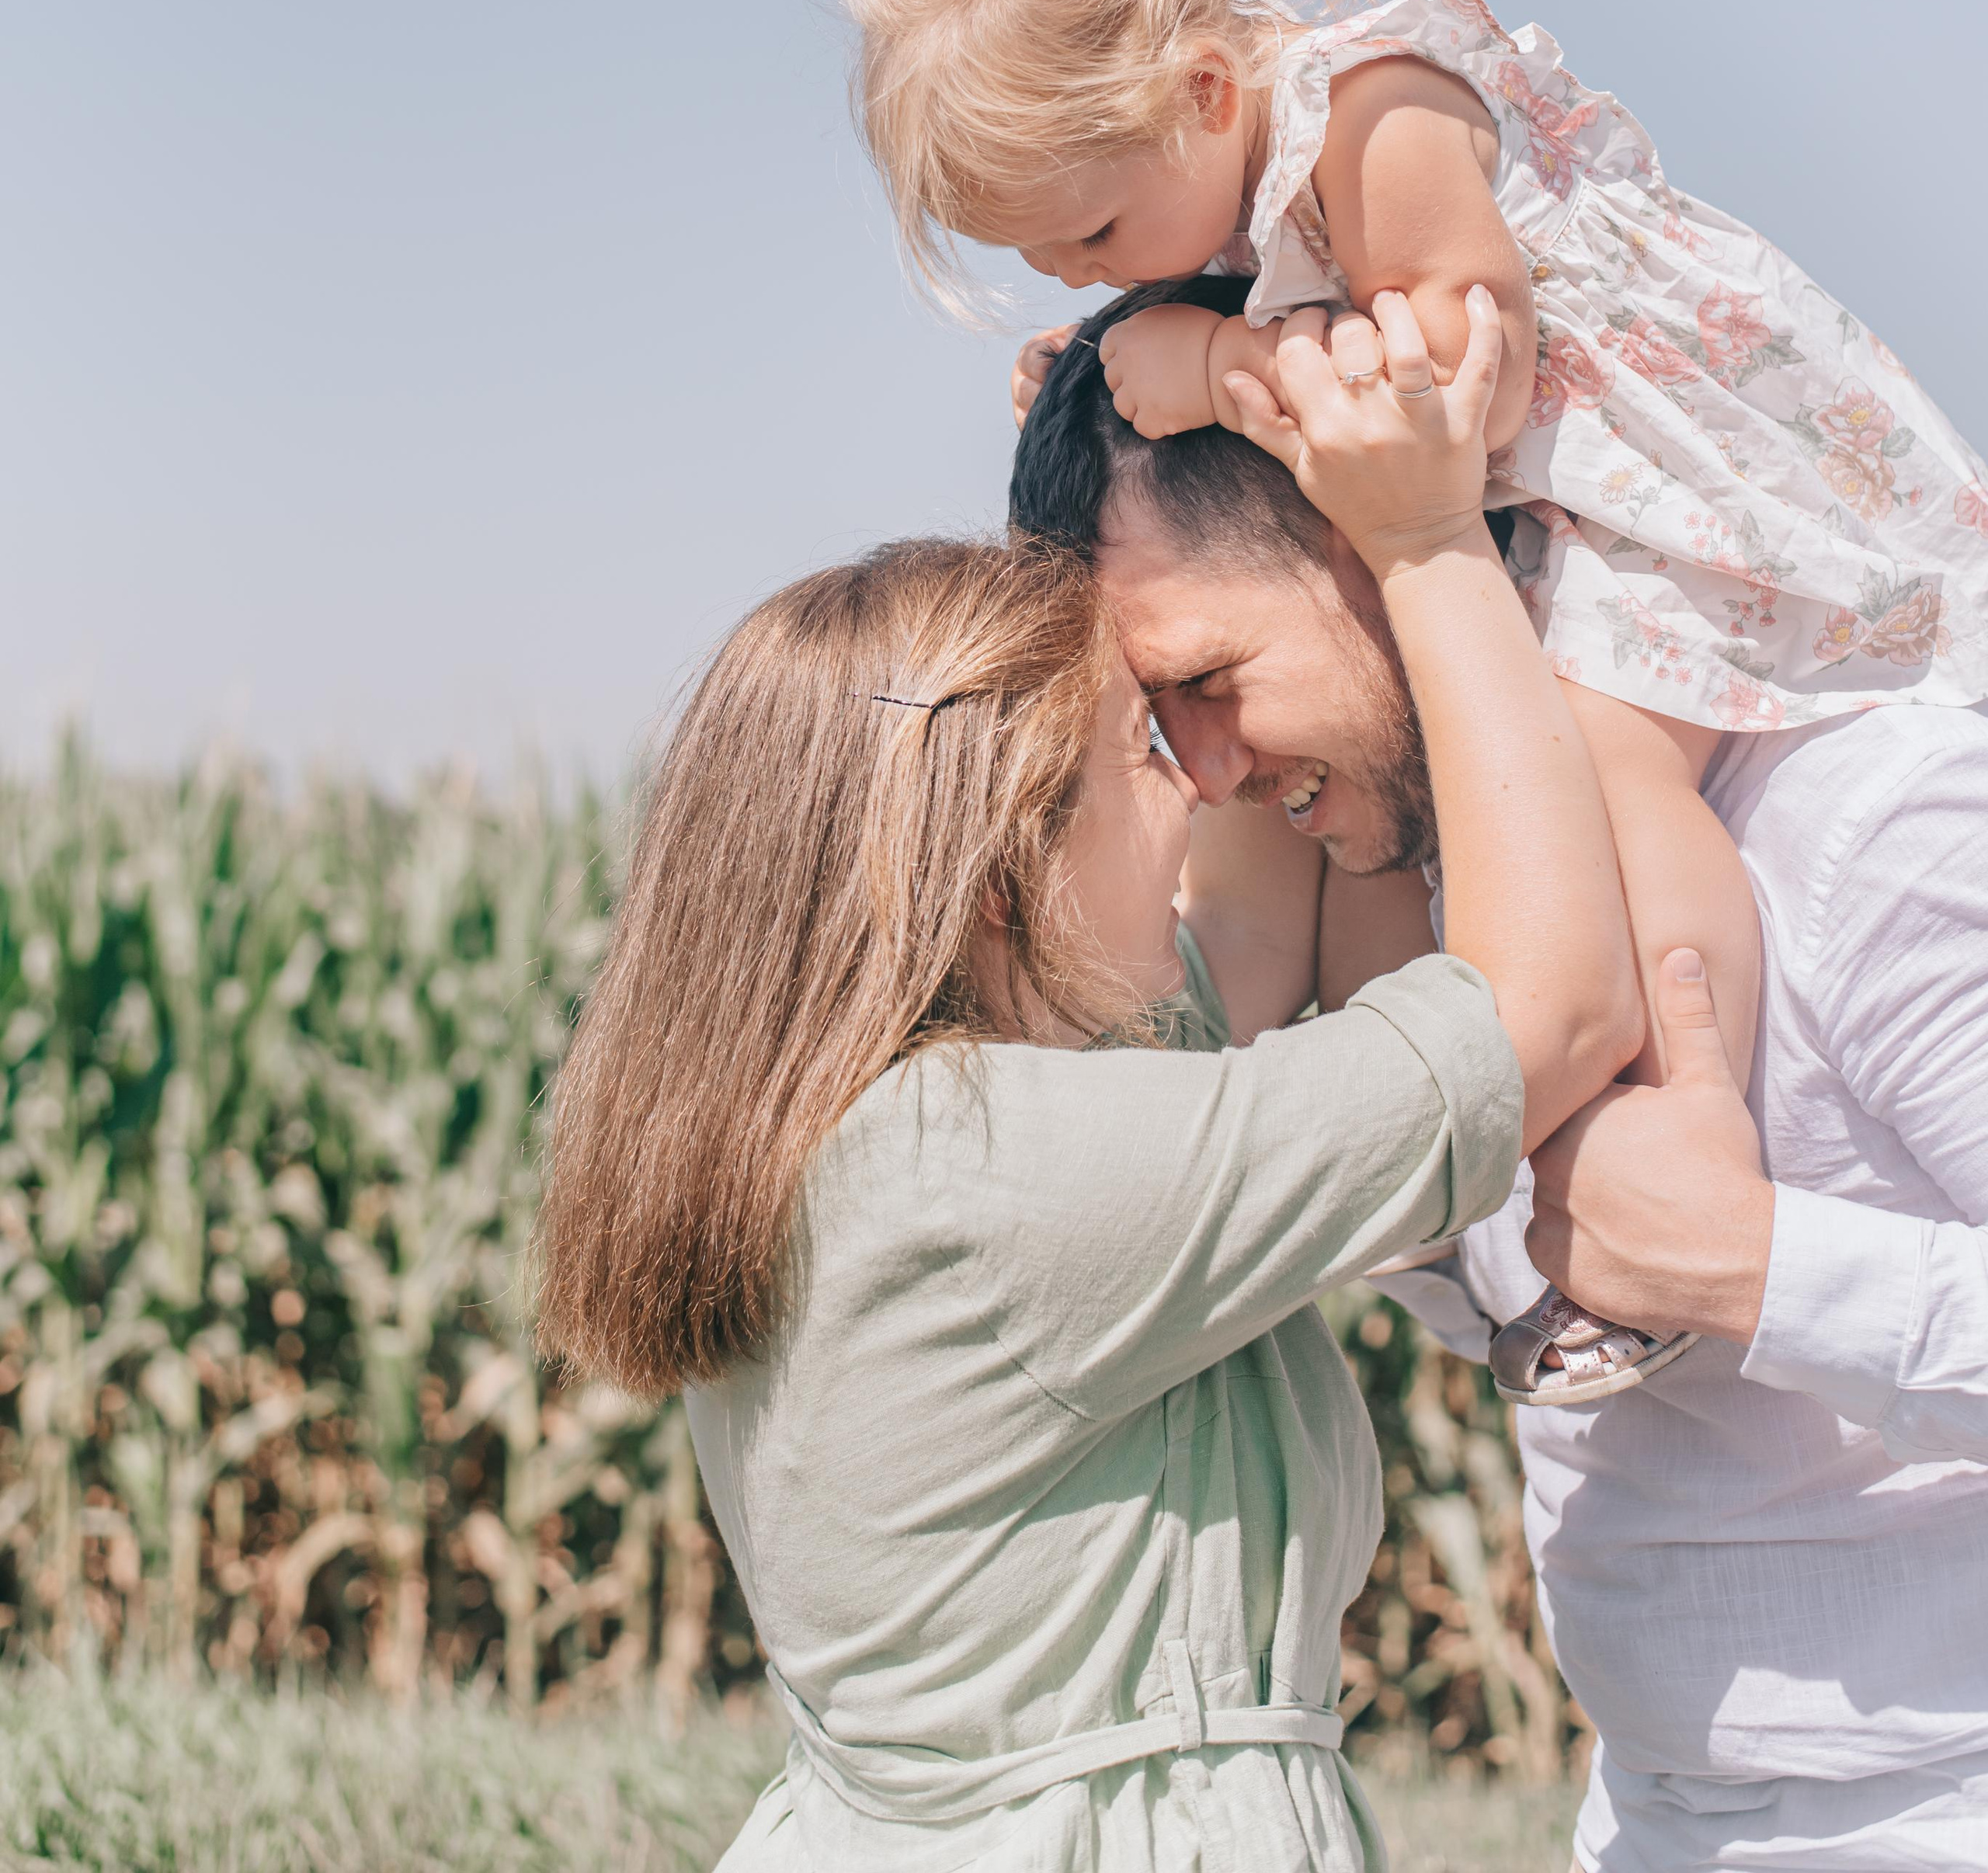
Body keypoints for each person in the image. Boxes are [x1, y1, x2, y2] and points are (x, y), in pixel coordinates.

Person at [841, 0, 1988, 1399]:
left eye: (1089, 237)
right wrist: (1125, 367)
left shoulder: (1369, 111)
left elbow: (1462, 381)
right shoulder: (1227, 191)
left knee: (1605, 781)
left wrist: (1216, 364)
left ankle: (1672, 1124)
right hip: (1542, 505)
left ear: (1200, 96)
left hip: (1666, 486)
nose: (1088, 275)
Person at [536, 297, 1642, 1871]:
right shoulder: (1003, 1180)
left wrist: (1128, 442)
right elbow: (1551, 1009)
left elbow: (1276, 916)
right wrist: (1424, 543)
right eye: (1143, 742)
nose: (1201, 782)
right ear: (1001, 874)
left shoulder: (917, 1123)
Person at [1011, 284, 1988, 1873]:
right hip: (1654, 1819)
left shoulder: (1867, 832)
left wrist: (1755, 1266)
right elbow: (1521, 1307)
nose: (1205, 770)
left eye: (1208, 679)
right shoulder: (1465, 896)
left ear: (1363, 537)